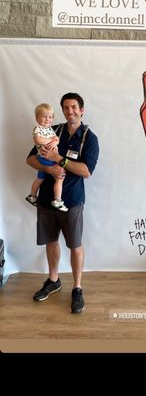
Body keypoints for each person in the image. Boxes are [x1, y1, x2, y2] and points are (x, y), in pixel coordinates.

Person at [26, 92, 99, 313]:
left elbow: (86, 171)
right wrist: (49, 168)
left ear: (82, 110)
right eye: (66, 108)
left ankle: (77, 288)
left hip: (73, 201)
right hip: (47, 199)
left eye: (74, 107)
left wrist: (60, 159)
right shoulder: (51, 130)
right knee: (50, 241)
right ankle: (54, 280)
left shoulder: (89, 138)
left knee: (75, 245)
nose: (70, 111)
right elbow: (30, 159)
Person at [25, 103, 68, 212]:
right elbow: (38, 140)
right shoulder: (38, 129)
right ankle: (57, 200)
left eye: (50, 117)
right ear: (37, 118)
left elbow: (56, 138)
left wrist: (55, 140)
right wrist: (51, 141)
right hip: (45, 158)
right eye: (43, 116)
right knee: (60, 177)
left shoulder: (50, 129)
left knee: (40, 178)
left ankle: (32, 196)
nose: (47, 119)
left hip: (49, 158)